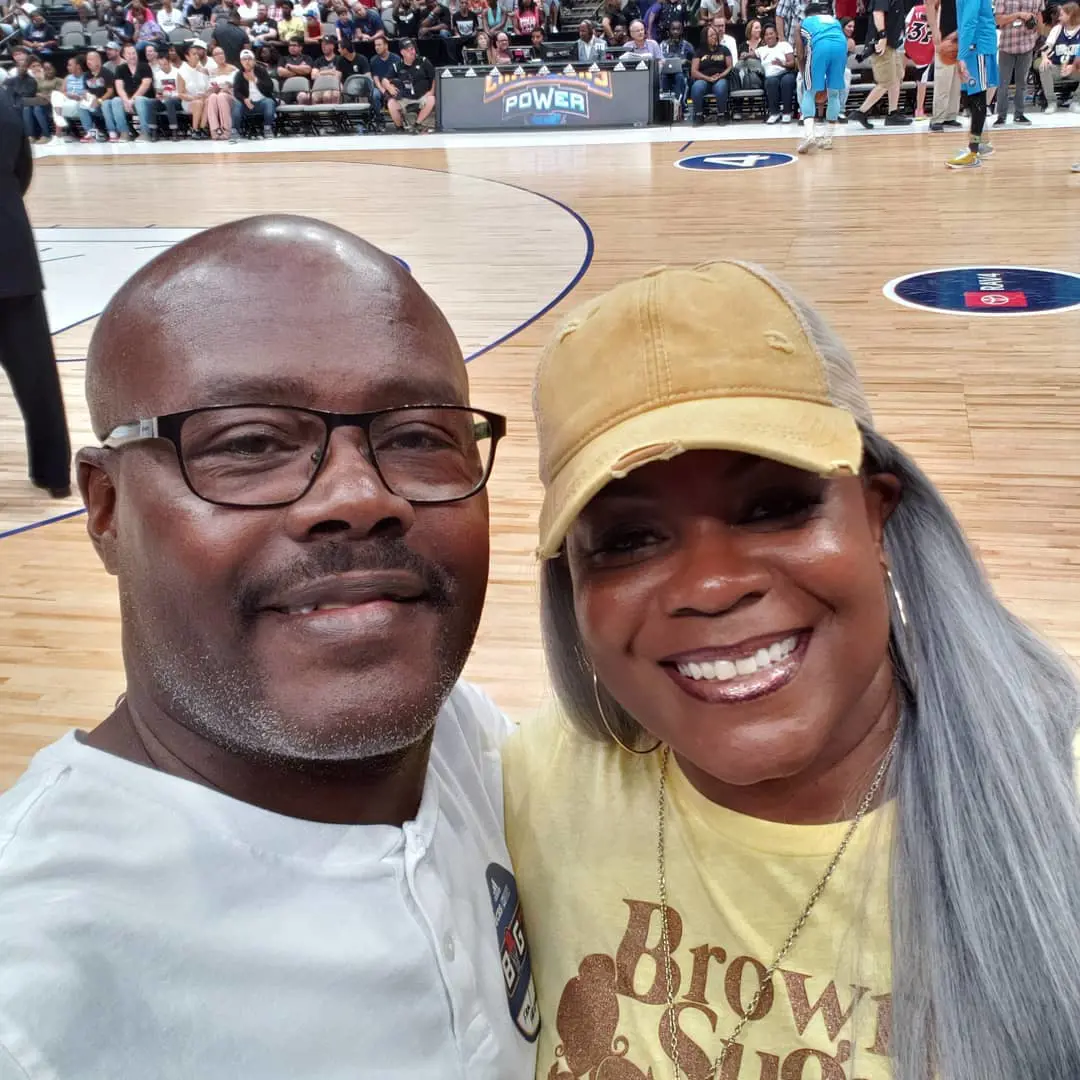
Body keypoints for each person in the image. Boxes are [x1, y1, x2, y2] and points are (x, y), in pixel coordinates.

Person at [506, 259, 1080, 1080]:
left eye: (774, 506)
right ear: (573, 586)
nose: (710, 585)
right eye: (628, 540)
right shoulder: (526, 792)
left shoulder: (1061, 807)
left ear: (876, 515)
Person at [0, 216, 537, 1078]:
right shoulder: (34, 994)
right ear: (104, 508)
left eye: (417, 436)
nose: (361, 497)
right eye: (249, 443)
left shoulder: (478, 747)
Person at [0, 90, 70, 501]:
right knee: (37, 377)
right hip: (11, 251)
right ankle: (54, 474)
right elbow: (22, 171)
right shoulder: (4, 99)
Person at [946, 0, 997, 167]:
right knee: (970, 97)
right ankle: (981, 144)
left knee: (977, 97)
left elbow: (970, 20)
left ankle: (973, 151)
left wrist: (961, 55)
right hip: (974, 44)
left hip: (977, 47)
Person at [796, 0, 849, 149]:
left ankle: (809, 136)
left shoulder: (803, 23)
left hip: (820, 46)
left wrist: (805, 75)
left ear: (807, 14)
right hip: (840, 47)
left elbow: (800, 54)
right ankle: (828, 138)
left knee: (809, 92)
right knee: (833, 94)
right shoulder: (834, 20)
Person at [852, 0, 912, 126]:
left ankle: (893, 113)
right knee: (886, 81)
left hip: (892, 43)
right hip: (882, 43)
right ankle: (861, 111)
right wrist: (883, 37)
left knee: (897, 77)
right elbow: (877, 13)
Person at [992, 0, 1037, 122]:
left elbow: (1039, 16)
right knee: (1003, 84)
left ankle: (1019, 114)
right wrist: (1018, 15)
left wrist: (1037, 33)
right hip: (1007, 45)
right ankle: (1001, 116)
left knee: (1022, 83)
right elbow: (997, 20)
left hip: (1027, 44)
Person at [926, 0, 964, 128]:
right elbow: (929, 4)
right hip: (945, 38)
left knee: (956, 81)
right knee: (943, 79)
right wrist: (934, 30)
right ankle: (937, 118)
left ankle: (950, 115)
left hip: (962, 38)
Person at [1037, 2, 1080, 112]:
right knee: (1044, 67)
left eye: (1062, 15)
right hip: (1057, 67)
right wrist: (1045, 58)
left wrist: (1073, 67)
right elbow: (1045, 47)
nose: (1059, 17)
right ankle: (1051, 103)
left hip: (1075, 69)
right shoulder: (1057, 29)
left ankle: (1076, 101)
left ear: (1070, 15)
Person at [387, 38, 436, 132]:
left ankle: (417, 124)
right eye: (408, 50)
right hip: (405, 98)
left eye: (412, 49)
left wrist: (431, 91)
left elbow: (434, 77)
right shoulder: (397, 66)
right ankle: (399, 128)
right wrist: (389, 87)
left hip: (422, 96)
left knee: (431, 99)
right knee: (391, 103)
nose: (412, 52)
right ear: (402, 52)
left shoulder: (423, 61)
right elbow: (384, 79)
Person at [109, 42, 155, 139]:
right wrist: (126, 100)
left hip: (146, 100)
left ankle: (145, 133)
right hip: (128, 102)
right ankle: (124, 132)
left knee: (139, 100)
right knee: (116, 101)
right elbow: (119, 87)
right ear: (124, 56)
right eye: (129, 54)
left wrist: (132, 100)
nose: (132, 56)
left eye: (134, 53)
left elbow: (145, 85)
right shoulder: (120, 68)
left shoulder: (145, 66)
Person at [690, 22, 732, 123]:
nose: (714, 37)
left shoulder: (724, 50)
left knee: (721, 87)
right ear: (705, 38)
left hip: (720, 78)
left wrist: (721, 75)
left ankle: (721, 114)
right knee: (696, 87)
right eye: (711, 35)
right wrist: (708, 78)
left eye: (715, 35)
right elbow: (694, 71)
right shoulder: (699, 51)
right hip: (704, 79)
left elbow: (730, 66)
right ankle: (699, 115)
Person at [230, 47, 275, 137]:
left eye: (249, 59)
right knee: (236, 104)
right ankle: (235, 130)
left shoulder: (261, 71)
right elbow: (236, 92)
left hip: (261, 102)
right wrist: (244, 99)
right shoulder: (239, 74)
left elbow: (270, 88)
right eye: (244, 59)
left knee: (269, 102)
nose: (247, 61)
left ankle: (267, 128)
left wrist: (255, 80)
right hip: (246, 104)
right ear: (241, 62)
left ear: (254, 61)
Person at [758, 21, 796, 121]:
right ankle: (774, 113)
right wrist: (746, 54)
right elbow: (752, 54)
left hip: (786, 72)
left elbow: (792, 63)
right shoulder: (761, 49)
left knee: (786, 81)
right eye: (766, 34)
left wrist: (782, 64)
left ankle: (787, 112)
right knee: (771, 82)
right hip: (770, 76)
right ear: (763, 37)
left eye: (771, 33)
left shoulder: (784, 45)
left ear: (776, 34)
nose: (769, 36)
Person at [904, 0, 934, 117]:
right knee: (922, 82)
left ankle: (894, 108)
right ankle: (919, 110)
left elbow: (906, 25)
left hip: (909, 46)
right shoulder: (938, 12)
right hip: (925, 49)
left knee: (898, 77)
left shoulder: (915, 9)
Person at [180, 38, 212, 136]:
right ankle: (194, 129)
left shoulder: (202, 70)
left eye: (197, 54)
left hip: (203, 98)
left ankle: (202, 128)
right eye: (194, 54)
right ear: (187, 57)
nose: (197, 56)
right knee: (198, 103)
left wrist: (206, 95)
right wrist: (194, 97)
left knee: (208, 101)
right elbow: (181, 93)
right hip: (189, 101)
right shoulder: (182, 71)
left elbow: (209, 87)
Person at [205, 43, 237, 137]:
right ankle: (214, 130)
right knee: (213, 96)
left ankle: (226, 129)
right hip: (217, 96)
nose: (220, 56)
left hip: (231, 97)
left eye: (221, 53)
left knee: (221, 96)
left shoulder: (233, 69)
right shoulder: (212, 72)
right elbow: (209, 89)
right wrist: (214, 89)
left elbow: (238, 86)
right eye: (217, 54)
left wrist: (227, 88)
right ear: (213, 58)